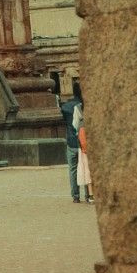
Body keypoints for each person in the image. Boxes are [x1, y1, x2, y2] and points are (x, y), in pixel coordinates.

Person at [52, 73, 82, 202]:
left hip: (71, 140)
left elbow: (65, 119)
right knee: (86, 168)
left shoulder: (65, 106)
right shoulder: (83, 105)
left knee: (73, 170)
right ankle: (89, 194)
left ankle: (75, 196)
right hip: (83, 141)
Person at [75, 108, 93, 202]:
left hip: (86, 151)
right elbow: (83, 140)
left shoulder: (82, 123)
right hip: (87, 152)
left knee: (88, 172)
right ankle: (90, 195)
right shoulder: (83, 123)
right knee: (89, 173)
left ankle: (90, 195)